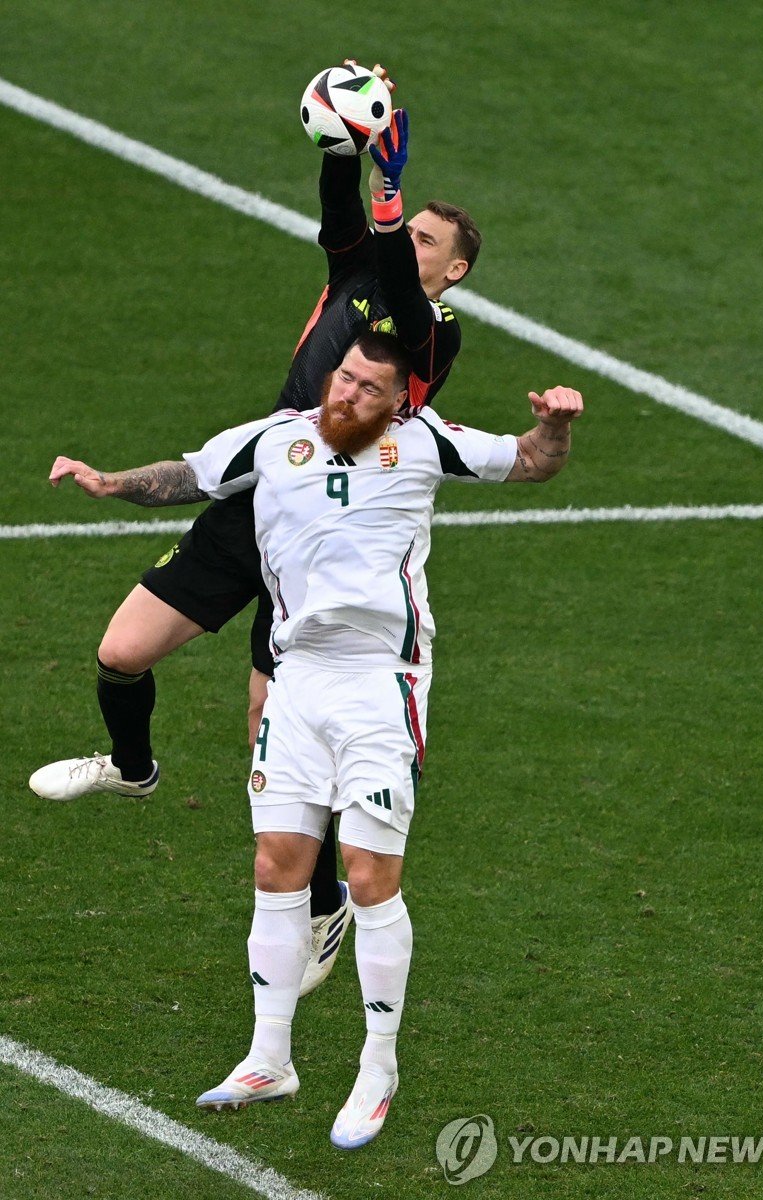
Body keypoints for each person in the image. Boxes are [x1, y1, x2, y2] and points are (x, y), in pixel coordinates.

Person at [47, 331, 584, 1147]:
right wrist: (107, 482)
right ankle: (270, 1058)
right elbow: (187, 477)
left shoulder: (426, 442)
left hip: (380, 682)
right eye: (343, 377)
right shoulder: (274, 439)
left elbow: (533, 461)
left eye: (369, 388)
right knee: (276, 864)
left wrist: (556, 423)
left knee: (367, 876)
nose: (347, 395)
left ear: (398, 401)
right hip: (296, 679)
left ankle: (378, 1067)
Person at [29, 65, 482, 995]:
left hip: (331, 544)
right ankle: (133, 766)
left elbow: (392, 269)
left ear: (456, 268)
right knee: (120, 653)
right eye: (411, 229)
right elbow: (341, 215)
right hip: (261, 499)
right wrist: (338, 150)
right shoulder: (358, 265)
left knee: (269, 743)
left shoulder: (430, 333)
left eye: (432, 239)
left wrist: (389, 190)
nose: (410, 240)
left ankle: (321, 910)